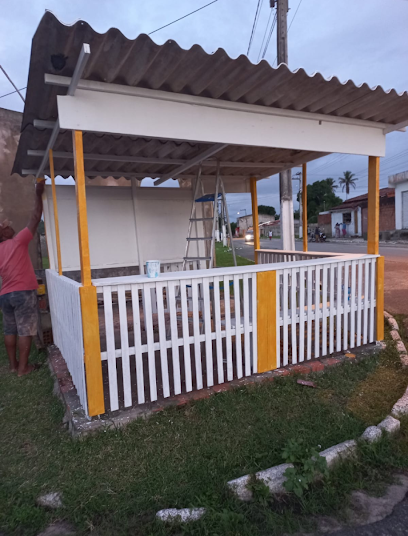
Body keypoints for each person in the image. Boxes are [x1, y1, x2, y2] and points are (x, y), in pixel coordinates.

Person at [0, 182, 44, 376]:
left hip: (5, 295)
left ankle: (13, 366)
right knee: (25, 329)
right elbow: (35, 217)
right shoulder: (18, 241)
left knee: (10, 329)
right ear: (3, 233)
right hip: (23, 292)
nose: (10, 226)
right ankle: (23, 368)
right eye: (7, 226)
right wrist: (38, 194)